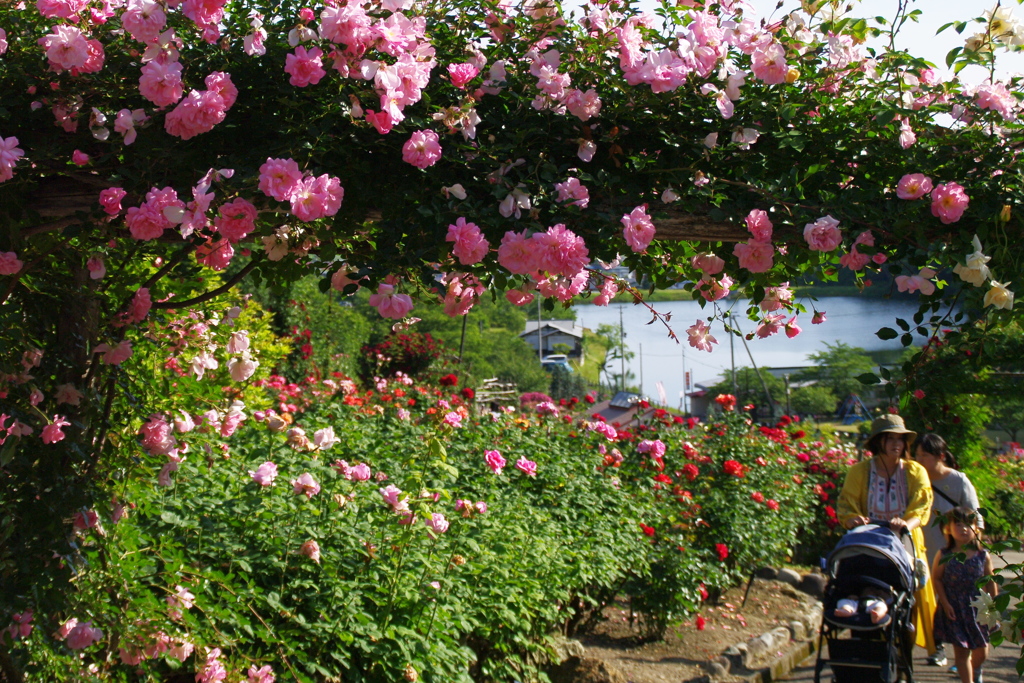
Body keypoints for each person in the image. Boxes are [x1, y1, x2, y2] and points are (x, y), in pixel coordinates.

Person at [837, 414, 939, 660]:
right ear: (878, 442)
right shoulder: (859, 471)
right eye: (890, 438)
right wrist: (852, 519)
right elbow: (846, 505)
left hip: (903, 542)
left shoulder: (915, 471)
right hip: (868, 541)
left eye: (901, 439)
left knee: (910, 601)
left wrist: (905, 524)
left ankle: (904, 654)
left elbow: (922, 506)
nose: (897, 444)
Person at [914, 432, 984, 667]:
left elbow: (977, 522)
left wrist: (975, 558)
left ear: (940, 456)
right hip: (923, 553)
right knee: (930, 603)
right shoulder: (913, 479)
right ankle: (938, 649)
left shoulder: (958, 481)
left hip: (953, 558)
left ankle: (964, 657)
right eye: (917, 455)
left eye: (924, 455)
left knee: (957, 607)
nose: (918, 460)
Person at [932, 507, 998, 683]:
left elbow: (990, 581)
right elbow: (937, 579)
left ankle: (975, 670)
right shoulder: (944, 554)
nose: (963, 528)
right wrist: (945, 603)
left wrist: (992, 607)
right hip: (954, 607)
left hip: (978, 608)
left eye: (969, 524)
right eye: (958, 524)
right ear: (949, 528)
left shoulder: (982, 556)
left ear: (976, 529)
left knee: (981, 651)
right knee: (961, 652)